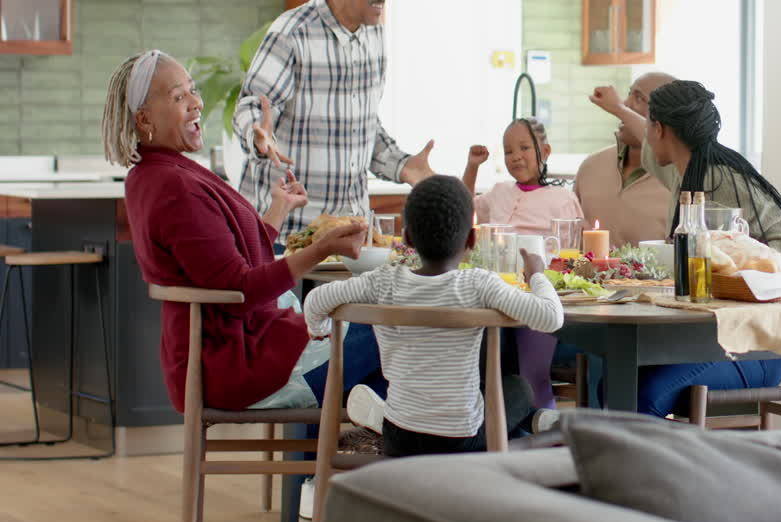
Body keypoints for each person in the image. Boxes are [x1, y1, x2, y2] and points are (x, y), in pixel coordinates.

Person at [102, 50, 385, 415]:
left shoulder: (161, 174)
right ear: (144, 119)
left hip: (245, 351)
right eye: (178, 97)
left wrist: (278, 208)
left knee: (380, 379)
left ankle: (328, 468)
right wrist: (322, 248)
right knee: (392, 331)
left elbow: (224, 267)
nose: (196, 103)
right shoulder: (173, 187)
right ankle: (335, 466)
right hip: (241, 367)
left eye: (192, 90)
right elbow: (240, 288)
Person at [588, 78, 781, 417]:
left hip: (755, 347)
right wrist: (618, 109)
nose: (644, 135)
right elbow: (651, 151)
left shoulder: (720, 180)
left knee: (641, 395)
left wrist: (739, 276)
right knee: (613, 381)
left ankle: (658, 468)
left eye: (649, 124)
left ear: (661, 129)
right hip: (714, 340)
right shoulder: (685, 173)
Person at [303, 175, 564, 457]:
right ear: (472, 239)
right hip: (460, 438)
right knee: (518, 389)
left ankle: (382, 415)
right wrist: (536, 273)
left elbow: (316, 299)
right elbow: (550, 317)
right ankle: (537, 422)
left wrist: (321, 328)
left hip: (398, 435)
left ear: (406, 238)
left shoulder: (384, 281)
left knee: (474, 392)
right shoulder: (478, 284)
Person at [233, 0, 435, 240]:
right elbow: (253, 107)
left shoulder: (374, 35)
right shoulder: (292, 33)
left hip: (348, 235)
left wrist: (404, 167)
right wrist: (257, 136)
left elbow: (361, 126)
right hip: (286, 236)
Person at [462, 117, 583, 411]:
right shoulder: (500, 191)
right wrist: (473, 167)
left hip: (537, 296)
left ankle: (545, 434)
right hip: (494, 295)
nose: (515, 156)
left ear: (546, 151)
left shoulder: (562, 198)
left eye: (524, 148)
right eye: (508, 151)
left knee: (533, 374)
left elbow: (572, 253)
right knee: (479, 367)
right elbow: (463, 210)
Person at [574, 72, 676, 247]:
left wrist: (620, 110)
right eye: (629, 94)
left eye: (638, 98)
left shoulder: (678, 178)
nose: (625, 103)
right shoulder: (591, 166)